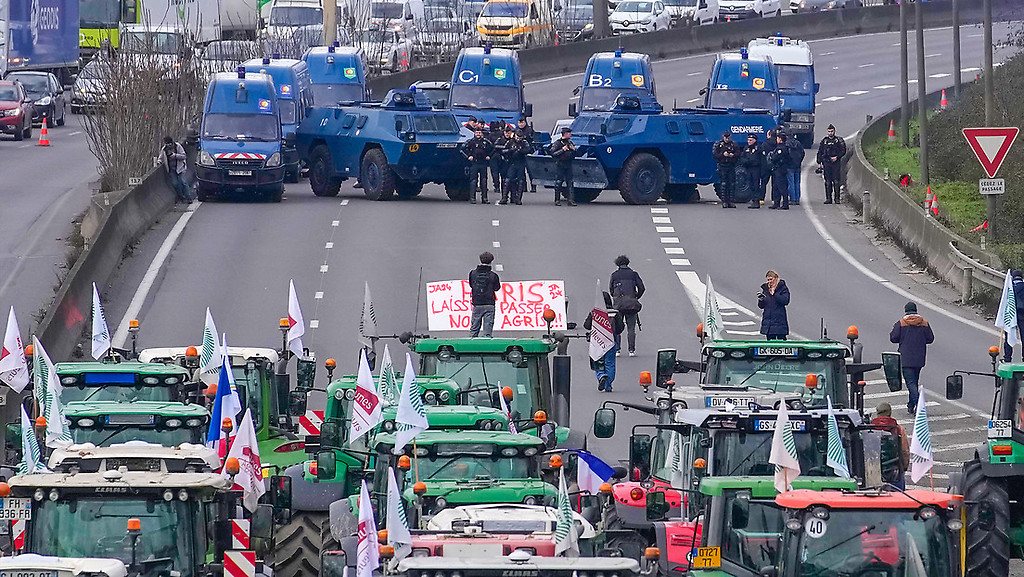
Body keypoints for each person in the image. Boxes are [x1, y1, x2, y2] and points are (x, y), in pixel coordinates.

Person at [889, 301, 934, 414]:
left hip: (905, 358)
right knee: (914, 381)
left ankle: (919, 404)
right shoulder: (924, 323)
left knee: (910, 383)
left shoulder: (901, 323)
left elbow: (893, 338)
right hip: (919, 358)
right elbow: (930, 339)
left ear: (906, 310)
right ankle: (911, 405)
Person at [610, 255, 645, 357]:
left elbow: (611, 290)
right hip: (631, 305)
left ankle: (617, 350)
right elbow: (642, 288)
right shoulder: (634, 274)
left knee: (617, 328)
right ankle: (631, 350)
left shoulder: (614, 275)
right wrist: (635, 297)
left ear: (618, 264)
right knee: (631, 328)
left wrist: (617, 298)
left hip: (618, 305)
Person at [584, 307, 625, 392]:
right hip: (611, 341)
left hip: (597, 342)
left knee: (597, 361)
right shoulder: (615, 313)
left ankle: (601, 375)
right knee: (610, 363)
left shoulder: (594, 312)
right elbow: (620, 328)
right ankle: (608, 385)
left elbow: (587, 326)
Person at [871, 402, 910, 490]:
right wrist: (904, 467)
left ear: (877, 413)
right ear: (890, 412)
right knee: (899, 498)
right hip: (895, 470)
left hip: (875, 471)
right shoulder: (898, 429)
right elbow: (905, 451)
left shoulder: (870, 428)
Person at [469, 252, 501, 337]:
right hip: (489, 303)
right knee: (488, 328)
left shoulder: (473, 273)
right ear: (491, 261)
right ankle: (486, 345)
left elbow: (471, 285)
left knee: (474, 327)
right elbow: (497, 288)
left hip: (477, 303)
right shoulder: (493, 275)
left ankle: (471, 345)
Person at [816, 124, 847, 204]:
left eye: (832, 131)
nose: (830, 133)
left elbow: (843, 150)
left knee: (836, 181)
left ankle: (837, 198)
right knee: (827, 181)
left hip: (836, 163)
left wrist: (837, 157)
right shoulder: (824, 141)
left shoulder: (838, 140)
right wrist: (819, 162)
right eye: (829, 131)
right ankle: (828, 198)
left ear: (834, 131)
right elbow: (820, 151)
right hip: (827, 163)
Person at [463, 128, 493, 204]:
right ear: (474, 133)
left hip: (483, 163)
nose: (478, 134)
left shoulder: (486, 142)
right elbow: (462, 149)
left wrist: (489, 155)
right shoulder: (471, 141)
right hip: (474, 163)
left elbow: (493, 148)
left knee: (484, 181)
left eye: (479, 132)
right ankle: (472, 198)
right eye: (477, 132)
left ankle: (484, 198)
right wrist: (468, 156)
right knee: (473, 181)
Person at [758, 270, 790, 340]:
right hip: (768, 323)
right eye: (768, 280)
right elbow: (761, 306)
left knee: (781, 343)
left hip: (779, 322)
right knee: (769, 343)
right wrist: (761, 300)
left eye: (771, 279)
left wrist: (774, 294)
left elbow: (785, 301)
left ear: (776, 278)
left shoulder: (782, 288)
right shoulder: (766, 289)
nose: (769, 282)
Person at [549, 127, 577, 206]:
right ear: (565, 134)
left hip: (568, 164)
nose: (570, 134)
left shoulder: (570, 143)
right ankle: (557, 200)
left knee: (570, 182)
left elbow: (575, 155)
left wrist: (573, 150)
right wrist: (562, 150)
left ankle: (571, 200)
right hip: (560, 164)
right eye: (568, 133)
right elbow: (552, 153)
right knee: (559, 182)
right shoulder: (558, 143)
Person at [712, 131, 740, 208]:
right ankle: (724, 201)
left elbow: (738, 154)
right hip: (722, 166)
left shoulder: (734, 144)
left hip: (731, 165)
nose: (727, 139)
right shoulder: (719, 145)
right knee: (724, 184)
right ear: (723, 137)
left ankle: (731, 201)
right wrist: (722, 154)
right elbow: (715, 155)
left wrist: (732, 155)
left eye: (728, 137)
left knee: (732, 184)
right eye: (725, 137)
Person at [161, 136, 192, 203]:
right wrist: (159, 162)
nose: (169, 145)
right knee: (175, 184)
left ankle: (188, 197)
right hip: (171, 170)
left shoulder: (178, 146)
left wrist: (175, 156)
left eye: (170, 143)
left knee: (183, 182)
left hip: (180, 168)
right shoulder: (164, 150)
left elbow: (184, 156)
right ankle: (181, 196)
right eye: (167, 144)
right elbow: (161, 157)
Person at [502, 126, 527, 205]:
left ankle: (518, 198)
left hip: (520, 163)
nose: (518, 138)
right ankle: (504, 198)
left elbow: (529, 150)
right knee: (508, 180)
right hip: (512, 163)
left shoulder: (524, 143)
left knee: (520, 181)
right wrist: (510, 150)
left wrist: (521, 151)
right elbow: (503, 150)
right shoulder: (510, 142)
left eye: (519, 137)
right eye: (517, 136)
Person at [1003, 270, 1024, 362]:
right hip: (1022, 316)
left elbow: (1004, 302)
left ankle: (1007, 358)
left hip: (1010, 316)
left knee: (1008, 337)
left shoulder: (1008, 287)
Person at [767, 132, 791, 210]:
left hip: (780, 170)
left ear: (780, 139)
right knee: (776, 187)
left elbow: (775, 157)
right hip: (777, 169)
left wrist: (772, 156)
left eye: (778, 138)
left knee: (782, 187)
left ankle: (785, 204)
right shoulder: (779, 147)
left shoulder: (782, 148)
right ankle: (776, 203)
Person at [739, 133, 764, 209]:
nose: (749, 141)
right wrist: (746, 161)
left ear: (754, 140)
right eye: (748, 140)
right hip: (748, 168)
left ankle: (756, 201)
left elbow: (762, 160)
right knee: (750, 185)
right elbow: (742, 157)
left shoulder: (759, 148)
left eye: (750, 140)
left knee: (756, 185)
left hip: (756, 169)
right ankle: (753, 200)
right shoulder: (746, 148)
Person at [488, 120, 508, 201]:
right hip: (502, 155)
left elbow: (489, 145)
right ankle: (503, 185)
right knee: (503, 172)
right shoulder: (502, 135)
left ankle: (496, 186)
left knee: (494, 172)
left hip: (493, 155)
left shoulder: (490, 135)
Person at [516, 117, 537, 193]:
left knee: (530, 171)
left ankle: (533, 186)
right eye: (519, 123)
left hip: (529, 152)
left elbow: (534, 140)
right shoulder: (517, 131)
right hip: (520, 153)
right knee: (521, 171)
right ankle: (524, 186)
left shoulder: (529, 130)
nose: (521, 124)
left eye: (522, 122)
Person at [785, 130, 806, 205]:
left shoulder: (786, 144)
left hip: (789, 165)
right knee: (797, 182)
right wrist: (799, 161)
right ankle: (797, 198)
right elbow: (803, 153)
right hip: (797, 165)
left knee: (791, 182)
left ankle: (792, 198)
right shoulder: (798, 143)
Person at [758, 128, 776, 205]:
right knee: (774, 184)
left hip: (765, 167)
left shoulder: (764, 144)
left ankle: (761, 199)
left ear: (768, 135)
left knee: (763, 184)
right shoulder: (777, 143)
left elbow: (761, 156)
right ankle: (774, 199)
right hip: (775, 166)